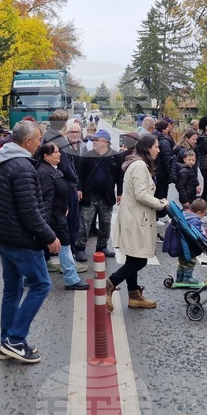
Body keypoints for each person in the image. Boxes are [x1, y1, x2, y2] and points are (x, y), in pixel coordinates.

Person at [0, 120, 61, 364]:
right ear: (27, 141)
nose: (40, 143)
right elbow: (30, 211)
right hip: (20, 239)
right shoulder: (23, 168)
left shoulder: (3, 160)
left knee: (13, 289)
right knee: (41, 284)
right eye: (38, 139)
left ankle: (7, 342)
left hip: (3, 235)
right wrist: (50, 237)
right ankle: (15, 339)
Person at [106, 134, 169, 311]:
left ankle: (134, 295)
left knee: (133, 257)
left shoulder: (137, 163)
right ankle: (110, 283)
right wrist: (161, 204)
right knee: (139, 260)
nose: (158, 150)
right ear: (148, 148)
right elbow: (141, 194)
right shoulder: (140, 165)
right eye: (156, 147)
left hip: (134, 216)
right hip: (136, 218)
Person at [36, 142, 89, 290]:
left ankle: (32, 277)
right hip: (53, 217)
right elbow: (46, 200)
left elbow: (58, 193)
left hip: (58, 214)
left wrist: (65, 206)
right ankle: (71, 279)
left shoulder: (52, 169)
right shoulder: (44, 172)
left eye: (59, 151)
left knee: (54, 246)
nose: (59, 154)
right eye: (55, 152)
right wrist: (45, 223)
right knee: (64, 246)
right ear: (46, 156)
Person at [78, 129, 121, 258]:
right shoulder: (87, 155)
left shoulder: (115, 156)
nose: (94, 142)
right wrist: (79, 189)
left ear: (106, 142)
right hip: (89, 195)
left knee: (105, 224)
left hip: (106, 196)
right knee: (84, 223)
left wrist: (120, 192)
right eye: (94, 140)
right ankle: (80, 248)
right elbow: (80, 174)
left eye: (97, 140)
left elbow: (120, 176)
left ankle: (102, 247)